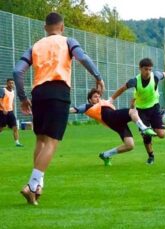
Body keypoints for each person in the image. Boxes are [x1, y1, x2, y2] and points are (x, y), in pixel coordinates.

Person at [13, 12, 105, 205]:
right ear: (62, 27)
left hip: (38, 94)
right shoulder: (68, 41)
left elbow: (17, 71)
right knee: (52, 142)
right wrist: (98, 77)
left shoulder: (35, 46)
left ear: (45, 28)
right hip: (58, 92)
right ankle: (31, 185)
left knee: (41, 139)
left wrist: (22, 98)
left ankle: (38, 185)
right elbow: (83, 58)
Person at [109, 58, 165, 164]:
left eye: (150, 69)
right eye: (146, 69)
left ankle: (160, 116)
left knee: (162, 134)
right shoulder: (135, 81)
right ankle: (151, 156)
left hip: (154, 108)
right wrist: (111, 100)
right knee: (146, 135)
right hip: (141, 111)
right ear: (140, 69)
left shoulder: (155, 76)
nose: (148, 72)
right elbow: (122, 89)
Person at [70, 88, 157, 166]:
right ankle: (144, 129)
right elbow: (75, 109)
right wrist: (61, 110)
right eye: (95, 97)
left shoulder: (104, 102)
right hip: (113, 117)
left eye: (98, 96)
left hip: (117, 123)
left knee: (130, 145)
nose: (98, 98)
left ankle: (105, 155)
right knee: (133, 112)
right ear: (90, 100)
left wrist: (132, 105)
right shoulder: (89, 106)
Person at [0, 78, 23, 146]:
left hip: (10, 112)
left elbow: (11, 101)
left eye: (12, 83)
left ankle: (17, 143)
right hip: (2, 111)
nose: (11, 84)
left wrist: (12, 109)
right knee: (1, 128)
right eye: (10, 83)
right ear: (7, 83)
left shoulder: (13, 91)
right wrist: (4, 108)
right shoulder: (2, 90)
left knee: (15, 127)